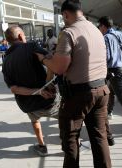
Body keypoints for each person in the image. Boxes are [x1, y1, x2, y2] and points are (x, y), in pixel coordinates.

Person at [38, 1, 111, 167]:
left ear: (65, 14)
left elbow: (59, 67)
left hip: (78, 95)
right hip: (102, 90)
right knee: (100, 138)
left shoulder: (68, 32)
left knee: (70, 139)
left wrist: (43, 59)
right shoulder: (96, 30)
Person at [2, 26, 59, 157]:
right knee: (65, 118)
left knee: (35, 121)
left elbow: (14, 89)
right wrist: (47, 84)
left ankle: (42, 146)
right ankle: (72, 143)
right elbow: (50, 60)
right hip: (49, 101)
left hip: (27, 105)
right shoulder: (30, 47)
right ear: (21, 36)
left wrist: (37, 92)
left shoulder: (5, 62)